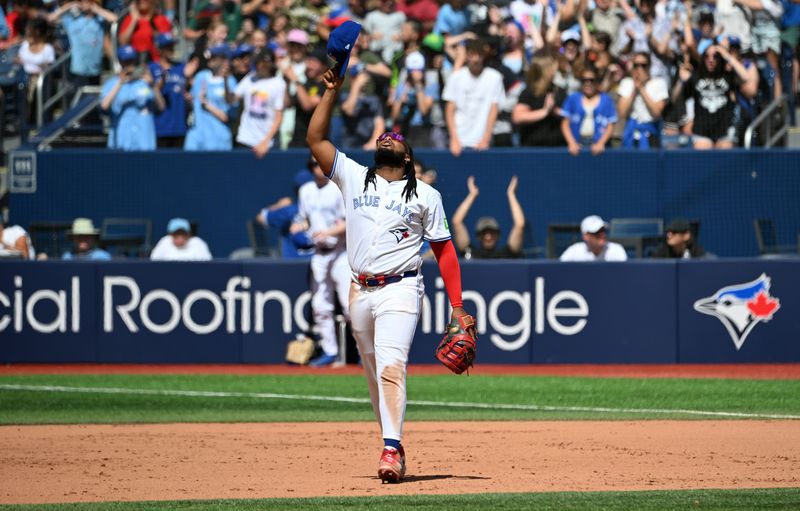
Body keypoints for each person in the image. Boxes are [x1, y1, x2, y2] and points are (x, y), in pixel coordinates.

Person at [306, 31, 472, 482]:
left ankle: (391, 450)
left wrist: (457, 307)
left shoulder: (426, 195)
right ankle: (392, 440)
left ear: (407, 156)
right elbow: (315, 137)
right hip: (359, 288)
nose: (390, 136)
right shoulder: (355, 177)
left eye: (397, 137)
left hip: (401, 288)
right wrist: (331, 89)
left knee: (392, 365)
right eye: (386, 134)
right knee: (372, 370)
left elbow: (444, 251)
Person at [292, 156, 350, 367]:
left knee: (350, 307)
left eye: (320, 164)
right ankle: (330, 351)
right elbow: (303, 218)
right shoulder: (305, 190)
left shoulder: (337, 189)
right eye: (313, 165)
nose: (318, 169)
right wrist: (297, 228)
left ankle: (364, 352)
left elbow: (349, 221)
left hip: (340, 252)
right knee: (320, 307)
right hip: (318, 253)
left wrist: (326, 232)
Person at [443, 39, 505, 157]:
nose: (476, 59)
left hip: (481, 142)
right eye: (472, 55)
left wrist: (486, 139)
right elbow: (450, 109)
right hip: (459, 140)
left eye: (479, 55)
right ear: (467, 56)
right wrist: (454, 139)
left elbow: (494, 109)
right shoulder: (456, 77)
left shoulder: (494, 78)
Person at [100, 45, 165, 151]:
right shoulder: (111, 84)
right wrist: (120, 83)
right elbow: (104, 106)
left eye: (132, 61)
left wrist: (153, 85)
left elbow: (161, 107)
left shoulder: (145, 83)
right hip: (121, 142)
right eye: (126, 62)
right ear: (120, 62)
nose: (130, 65)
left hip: (144, 143)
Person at [451, 175, 525, 259]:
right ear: (478, 236)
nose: (488, 237)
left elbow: (520, 224)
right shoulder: (470, 253)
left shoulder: (507, 255)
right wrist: (472, 195)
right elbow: (457, 222)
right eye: (483, 233)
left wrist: (511, 195)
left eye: (492, 233)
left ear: (498, 235)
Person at [48, 0, 118, 88]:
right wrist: (69, 6)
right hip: (79, 69)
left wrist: (95, 8)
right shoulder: (71, 21)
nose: (85, 4)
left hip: (95, 68)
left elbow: (114, 18)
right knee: (80, 96)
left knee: (93, 97)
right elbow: (50, 18)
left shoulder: (99, 20)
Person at [184, 44, 239, 150]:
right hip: (196, 138)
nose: (210, 59)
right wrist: (188, 97)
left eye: (214, 56)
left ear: (224, 59)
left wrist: (207, 105)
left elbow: (228, 116)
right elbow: (193, 103)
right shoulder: (200, 76)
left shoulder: (231, 82)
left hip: (218, 139)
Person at [235, 47, 286, 158]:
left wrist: (265, 142)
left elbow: (278, 117)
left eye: (263, 62)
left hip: (267, 143)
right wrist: (225, 79)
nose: (260, 65)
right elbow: (232, 99)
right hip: (245, 138)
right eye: (258, 62)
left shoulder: (279, 83)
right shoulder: (249, 78)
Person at [560, 65, 617, 156]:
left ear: (597, 82)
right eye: (584, 80)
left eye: (591, 80)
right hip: (577, 143)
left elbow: (610, 124)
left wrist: (601, 143)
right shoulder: (572, 98)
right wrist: (571, 143)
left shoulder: (606, 100)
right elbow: (565, 123)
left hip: (598, 143)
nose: (588, 83)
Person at [616, 52, 668, 149]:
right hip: (631, 132)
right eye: (636, 65)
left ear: (649, 66)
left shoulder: (659, 83)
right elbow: (622, 113)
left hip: (651, 133)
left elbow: (656, 113)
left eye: (643, 65)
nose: (640, 69)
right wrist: (634, 90)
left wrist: (641, 89)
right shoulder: (626, 83)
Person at [560, 215, 627, 261]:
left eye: (603, 230)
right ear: (586, 236)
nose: (602, 235)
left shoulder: (616, 250)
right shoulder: (573, 251)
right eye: (597, 232)